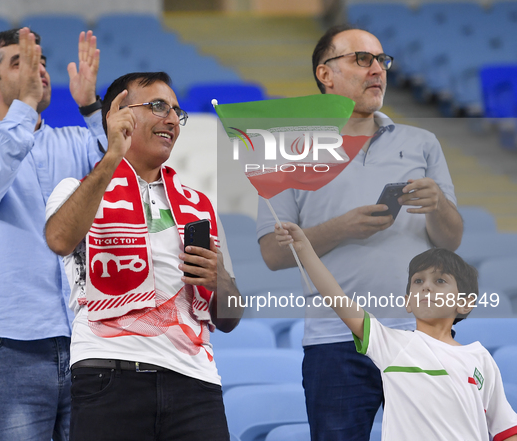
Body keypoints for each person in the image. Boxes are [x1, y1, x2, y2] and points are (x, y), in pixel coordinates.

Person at [256, 24, 464, 440]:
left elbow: (451, 241)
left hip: (420, 335)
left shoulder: (422, 142)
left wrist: (438, 204)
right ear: (325, 74)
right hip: (336, 342)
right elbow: (273, 255)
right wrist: (341, 228)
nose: (378, 70)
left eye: (382, 60)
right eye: (361, 59)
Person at [44, 71, 243, 441]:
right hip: (109, 376)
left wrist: (222, 281)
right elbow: (58, 239)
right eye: (157, 106)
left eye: (176, 112)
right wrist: (113, 155)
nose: (171, 119)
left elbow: (230, 319)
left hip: (196, 385)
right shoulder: (75, 189)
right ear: (119, 113)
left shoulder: (198, 206)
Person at [0, 27, 107, 440]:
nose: (40, 69)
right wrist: (26, 105)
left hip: (89, 340)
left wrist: (90, 107)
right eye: (23, 62)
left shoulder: (75, 140)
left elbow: (126, 175)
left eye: (42, 62)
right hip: (7, 347)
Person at [275, 222, 517, 440]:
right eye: (418, 282)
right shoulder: (392, 345)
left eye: (440, 281)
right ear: (408, 302)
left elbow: (506, 430)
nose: (426, 288)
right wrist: (305, 249)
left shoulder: (481, 358)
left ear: (465, 302)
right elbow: (338, 299)